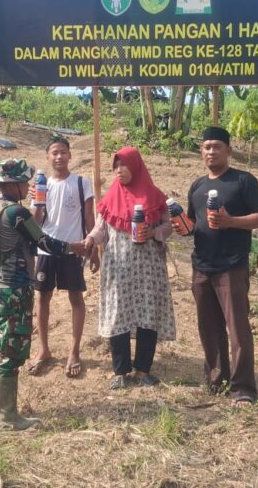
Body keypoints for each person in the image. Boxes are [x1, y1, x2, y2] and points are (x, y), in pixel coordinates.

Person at [0, 158, 85, 430]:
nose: (28, 187)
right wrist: (75, 247)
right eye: (24, 183)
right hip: (14, 288)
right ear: (13, 184)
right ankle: (8, 418)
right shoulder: (17, 213)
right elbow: (44, 241)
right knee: (11, 350)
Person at [174, 127, 258, 406]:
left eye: (217, 146)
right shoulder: (197, 187)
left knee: (237, 328)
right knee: (209, 327)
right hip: (202, 266)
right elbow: (194, 223)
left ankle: (243, 389)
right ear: (200, 152)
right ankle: (217, 381)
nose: (211, 151)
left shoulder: (243, 181)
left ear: (229, 150)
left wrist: (231, 222)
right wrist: (182, 227)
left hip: (232, 266)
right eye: (206, 147)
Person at [83, 146, 176, 390]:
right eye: (115, 166)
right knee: (118, 313)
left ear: (135, 166)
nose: (119, 170)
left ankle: (143, 370)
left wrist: (154, 233)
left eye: (123, 165)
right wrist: (90, 239)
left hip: (148, 268)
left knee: (148, 313)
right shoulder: (110, 198)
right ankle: (120, 371)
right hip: (118, 267)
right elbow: (101, 229)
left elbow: (169, 226)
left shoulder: (155, 197)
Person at [27, 136, 99, 378]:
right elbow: (35, 222)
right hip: (46, 250)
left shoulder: (81, 183)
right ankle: (44, 349)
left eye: (63, 152)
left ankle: (74, 352)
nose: (59, 157)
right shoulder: (42, 185)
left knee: (76, 298)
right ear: (47, 157)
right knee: (43, 298)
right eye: (54, 153)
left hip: (73, 250)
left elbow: (89, 218)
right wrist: (38, 202)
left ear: (70, 155)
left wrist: (94, 248)